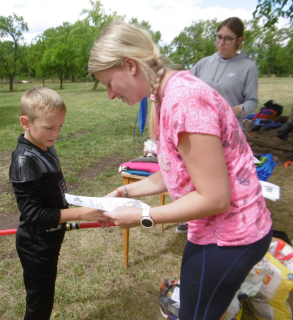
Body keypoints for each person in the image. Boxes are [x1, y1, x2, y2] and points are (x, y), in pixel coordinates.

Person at [88, 21, 272, 320]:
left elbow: (214, 198)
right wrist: (124, 191)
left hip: (233, 235)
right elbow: (176, 172)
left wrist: (143, 216)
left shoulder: (184, 100)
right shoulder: (163, 96)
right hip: (212, 230)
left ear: (130, 65)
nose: (109, 94)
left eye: (109, 83)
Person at [9, 87, 105, 320]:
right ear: (26, 122)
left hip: (51, 236)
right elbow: (32, 214)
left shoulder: (45, 146)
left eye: (60, 126)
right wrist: (81, 213)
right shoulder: (24, 160)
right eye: (49, 127)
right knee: (39, 304)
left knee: (46, 296)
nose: (56, 133)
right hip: (36, 245)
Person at [176, 17, 259, 235]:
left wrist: (234, 110)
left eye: (228, 39)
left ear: (239, 40)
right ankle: (190, 218)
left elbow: (252, 102)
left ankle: (226, 224)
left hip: (230, 135)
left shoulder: (248, 67)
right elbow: (183, 82)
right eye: (218, 37)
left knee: (223, 182)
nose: (221, 43)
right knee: (195, 175)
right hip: (201, 132)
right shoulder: (204, 62)